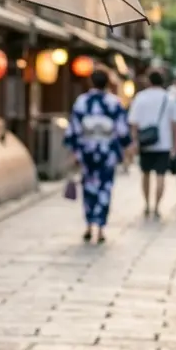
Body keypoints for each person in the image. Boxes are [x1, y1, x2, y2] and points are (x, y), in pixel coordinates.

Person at [64, 69, 131, 244]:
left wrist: (74, 151)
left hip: (87, 151)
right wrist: (125, 148)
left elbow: (74, 129)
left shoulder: (82, 102)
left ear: (91, 82)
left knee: (88, 188)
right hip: (107, 152)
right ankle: (100, 228)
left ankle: (88, 225)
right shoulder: (114, 103)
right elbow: (122, 131)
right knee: (105, 189)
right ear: (108, 83)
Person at [128, 70, 176, 219]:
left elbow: (134, 123)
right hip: (164, 143)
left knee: (145, 174)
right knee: (160, 175)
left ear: (148, 81)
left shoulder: (140, 97)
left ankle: (147, 204)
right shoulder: (170, 98)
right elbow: (175, 123)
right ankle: (157, 206)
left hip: (145, 142)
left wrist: (134, 141)